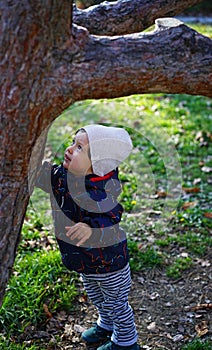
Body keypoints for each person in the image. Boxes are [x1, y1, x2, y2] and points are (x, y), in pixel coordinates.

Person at [36, 124, 140, 350]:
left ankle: (126, 342)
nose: (70, 149)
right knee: (96, 296)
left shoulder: (103, 191)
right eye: (74, 142)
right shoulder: (64, 176)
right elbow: (41, 176)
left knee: (116, 304)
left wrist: (91, 229)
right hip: (86, 261)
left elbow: (112, 218)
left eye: (80, 148)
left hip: (110, 263)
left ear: (98, 166)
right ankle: (106, 325)